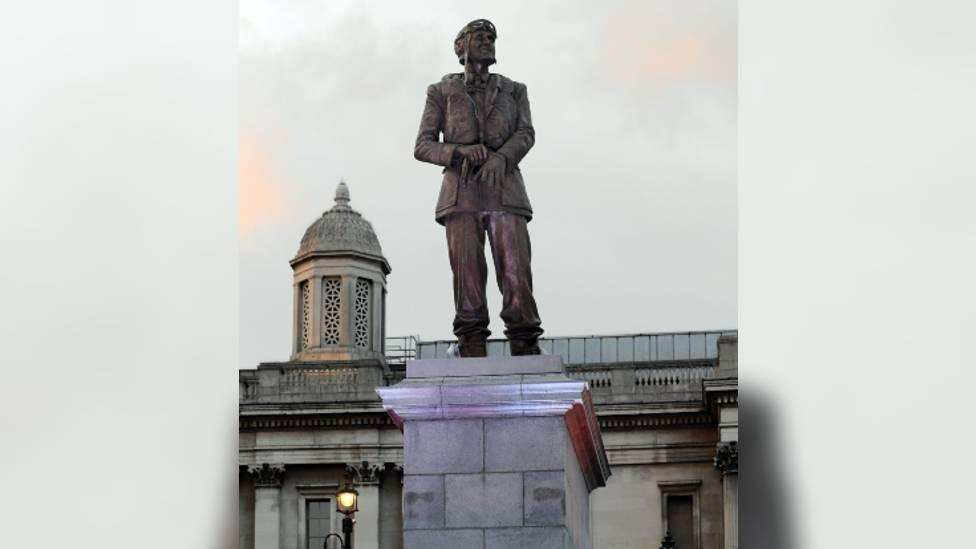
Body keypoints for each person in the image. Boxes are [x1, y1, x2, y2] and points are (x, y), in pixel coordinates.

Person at [414, 18, 543, 358]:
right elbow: (423, 145)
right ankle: (471, 342)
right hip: (462, 191)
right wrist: (458, 152)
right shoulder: (440, 91)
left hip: (505, 190)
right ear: (461, 47)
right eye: (480, 37)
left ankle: (524, 340)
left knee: (516, 269)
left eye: (491, 37)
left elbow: (526, 132)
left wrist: (502, 158)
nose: (488, 42)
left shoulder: (515, 90)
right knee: (467, 273)